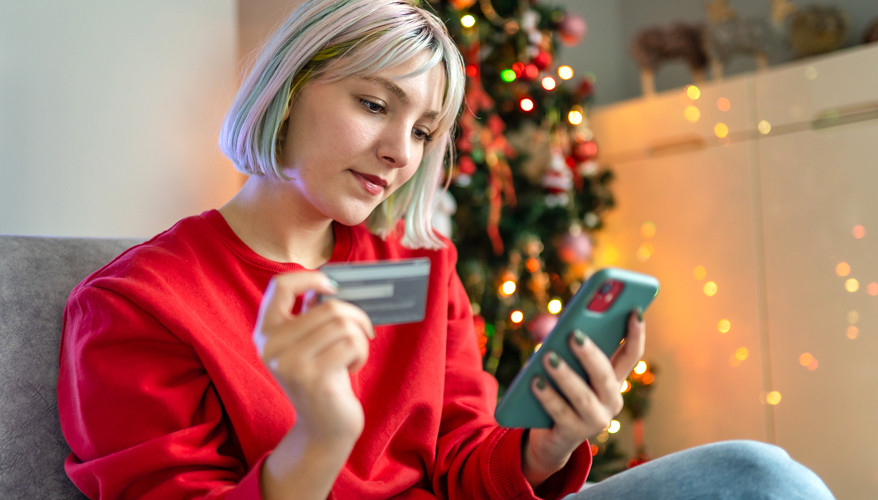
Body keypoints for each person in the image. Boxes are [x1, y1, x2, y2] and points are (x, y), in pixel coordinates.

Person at [57, 0, 835, 498]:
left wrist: (550, 441)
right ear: (287, 92)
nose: (401, 152)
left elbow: (467, 456)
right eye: (372, 105)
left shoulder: (421, 269)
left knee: (755, 475)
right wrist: (321, 438)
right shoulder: (135, 305)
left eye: (425, 130)